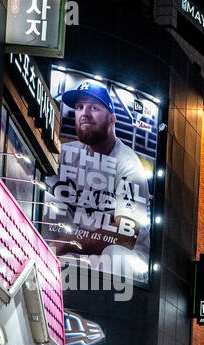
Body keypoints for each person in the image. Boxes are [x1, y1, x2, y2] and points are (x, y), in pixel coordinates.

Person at [49, 80, 152, 275]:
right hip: (80, 251)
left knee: (114, 255)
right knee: (46, 201)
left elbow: (125, 234)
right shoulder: (66, 153)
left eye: (94, 107)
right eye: (79, 107)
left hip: (126, 261)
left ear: (112, 119)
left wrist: (70, 243)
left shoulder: (128, 164)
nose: (84, 113)